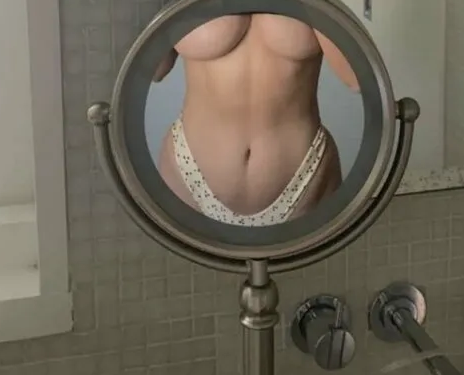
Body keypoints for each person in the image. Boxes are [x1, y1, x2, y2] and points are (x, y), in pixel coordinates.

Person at [153, 13, 360, 226]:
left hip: (305, 179)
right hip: (188, 174)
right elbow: (154, 70)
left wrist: (320, 1)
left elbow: (355, 78)